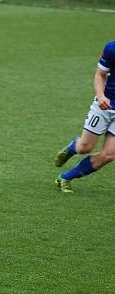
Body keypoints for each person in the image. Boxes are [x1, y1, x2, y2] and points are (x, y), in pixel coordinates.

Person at [54, 40, 115, 193]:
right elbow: (100, 74)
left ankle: (65, 177)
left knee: (109, 155)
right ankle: (72, 147)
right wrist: (100, 96)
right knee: (84, 148)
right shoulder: (112, 48)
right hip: (105, 106)